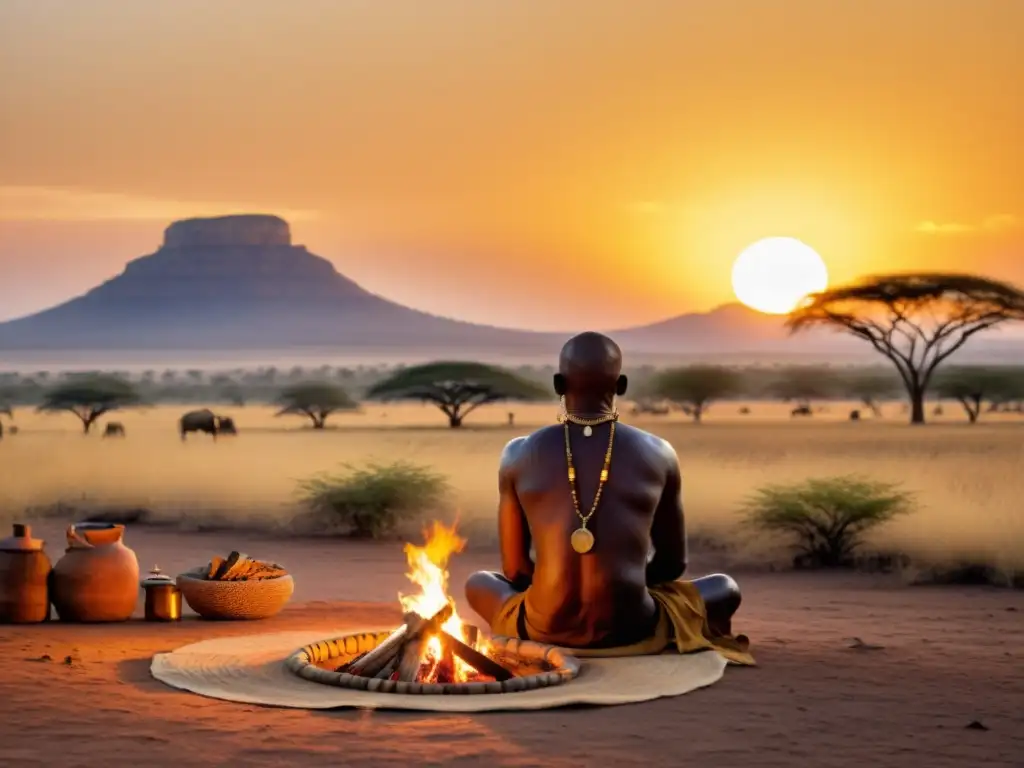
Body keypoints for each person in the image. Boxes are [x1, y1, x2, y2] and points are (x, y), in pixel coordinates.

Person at [464, 332, 751, 661]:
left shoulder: (517, 454)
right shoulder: (660, 453)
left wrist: (556, 587)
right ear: (622, 385)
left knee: (480, 583)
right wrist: (620, 583)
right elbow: (673, 565)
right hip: (633, 625)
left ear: (558, 384)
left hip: (542, 627)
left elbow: (515, 571)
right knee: (724, 587)